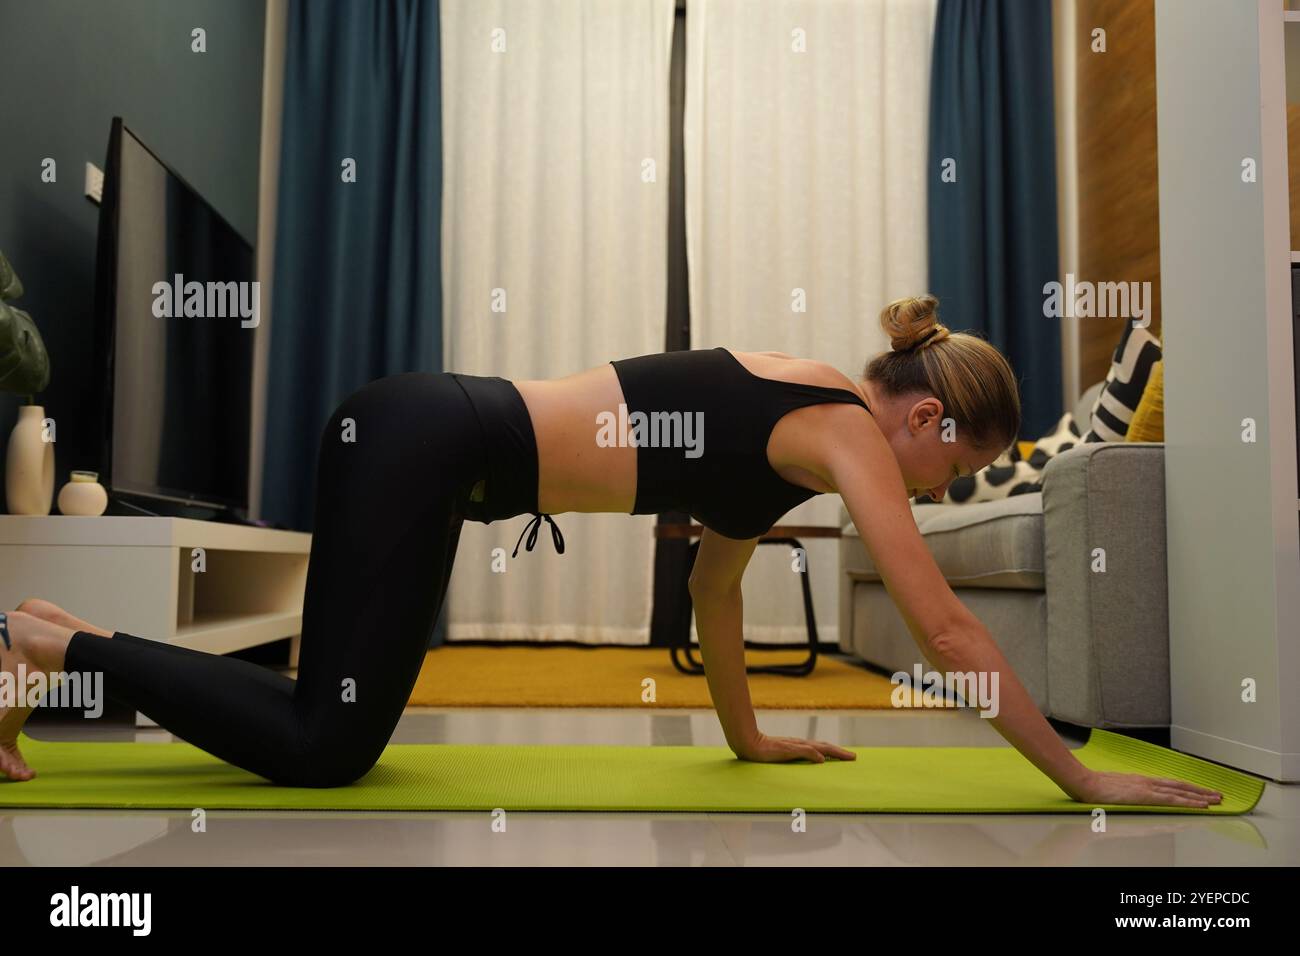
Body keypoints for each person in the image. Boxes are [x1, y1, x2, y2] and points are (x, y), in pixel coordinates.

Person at [0, 294, 1222, 809]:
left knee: (334, 719)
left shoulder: (788, 441)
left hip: (429, 454)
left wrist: (751, 737)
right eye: (948, 467)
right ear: (921, 416)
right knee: (326, 747)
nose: (933, 488)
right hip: (425, 439)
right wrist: (1079, 774)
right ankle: (51, 640)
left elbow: (714, 594)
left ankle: (52, 638)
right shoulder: (844, 425)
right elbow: (947, 627)